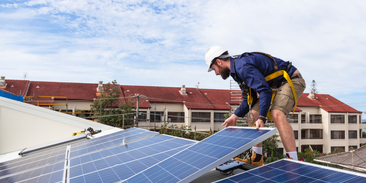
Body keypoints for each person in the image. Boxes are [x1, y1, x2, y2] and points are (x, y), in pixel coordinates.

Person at [205, 46, 306, 166]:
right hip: (273, 86)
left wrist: (262, 117)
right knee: (253, 114)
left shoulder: (242, 67)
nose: (216, 73)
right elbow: (250, 99)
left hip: (291, 80)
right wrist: (235, 116)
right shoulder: (236, 71)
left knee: (277, 113)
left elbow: (264, 91)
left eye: (214, 69)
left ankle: (293, 162)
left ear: (219, 62)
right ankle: (257, 158)